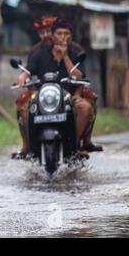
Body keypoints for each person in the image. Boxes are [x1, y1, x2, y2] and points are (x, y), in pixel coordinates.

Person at [14, 18, 97, 159]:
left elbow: (79, 75)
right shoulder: (39, 53)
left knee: (85, 107)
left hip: (69, 97)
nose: (63, 36)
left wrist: (65, 57)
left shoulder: (75, 52)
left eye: (66, 33)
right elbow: (28, 70)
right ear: (52, 35)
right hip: (43, 97)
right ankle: (28, 147)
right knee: (24, 109)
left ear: (71, 35)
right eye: (59, 33)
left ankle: (74, 146)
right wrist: (22, 77)